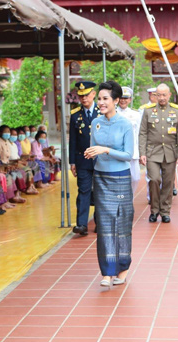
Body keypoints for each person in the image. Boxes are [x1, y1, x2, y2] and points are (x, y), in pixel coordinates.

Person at [84, 81, 134, 287]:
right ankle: (106, 272)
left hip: (120, 179)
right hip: (101, 178)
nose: (101, 102)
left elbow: (128, 155)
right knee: (104, 225)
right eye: (100, 98)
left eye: (106, 99)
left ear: (116, 101)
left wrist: (105, 150)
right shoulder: (95, 122)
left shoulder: (125, 124)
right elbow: (92, 148)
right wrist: (92, 152)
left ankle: (122, 267)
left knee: (121, 224)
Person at [139, 83, 178, 223]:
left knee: (168, 183)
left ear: (169, 95)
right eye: (158, 95)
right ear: (155, 96)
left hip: (170, 152)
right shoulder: (148, 111)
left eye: (164, 95)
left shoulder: (177, 111)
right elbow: (142, 133)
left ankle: (165, 211)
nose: (161, 98)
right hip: (153, 152)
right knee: (154, 179)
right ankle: (154, 210)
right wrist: (142, 153)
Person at [69, 81, 100, 236]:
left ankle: (99, 222)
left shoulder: (102, 112)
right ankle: (81, 224)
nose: (83, 98)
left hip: (101, 159)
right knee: (83, 191)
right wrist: (72, 162)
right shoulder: (75, 115)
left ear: (93, 94)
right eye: (80, 96)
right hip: (83, 160)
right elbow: (73, 140)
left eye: (86, 95)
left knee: (100, 191)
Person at [117, 86, 141, 194]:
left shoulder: (136, 115)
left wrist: (141, 152)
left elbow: (140, 133)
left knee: (135, 178)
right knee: (119, 179)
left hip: (132, 151)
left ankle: (129, 198)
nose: (123, 100)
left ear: (130, 99)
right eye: (121, 98)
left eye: (126, 98)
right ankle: (122, 200)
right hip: (117, 151)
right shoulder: (112, 113)